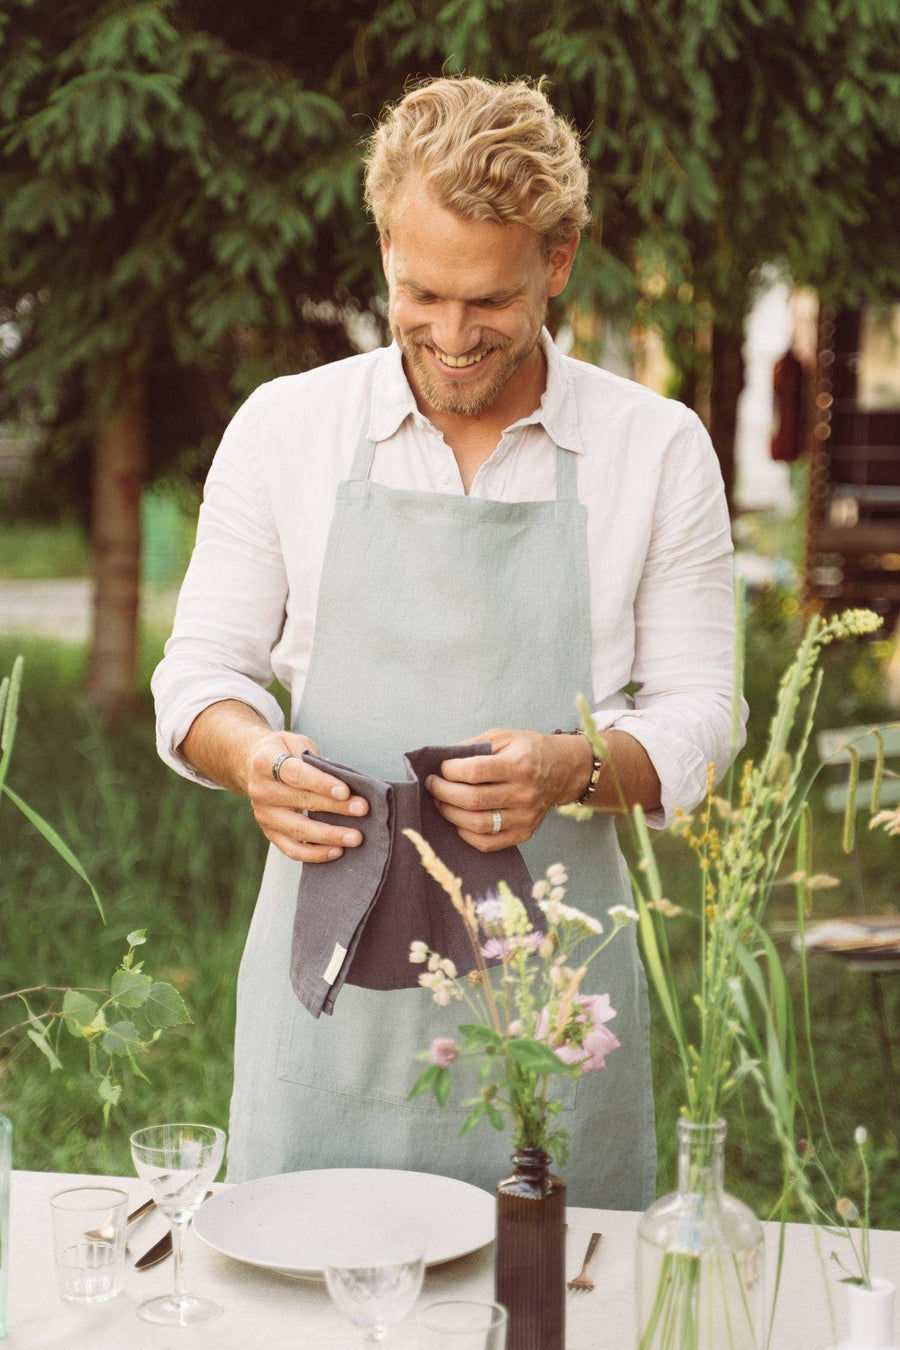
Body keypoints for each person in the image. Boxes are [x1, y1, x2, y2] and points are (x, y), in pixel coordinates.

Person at [152, 75, 743, 1210]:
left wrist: (577, 767)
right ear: (384, 243)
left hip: (558, 1008)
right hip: (327, 996)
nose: (454, 336)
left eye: (492, 301)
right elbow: (202, 673)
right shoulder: (288, 427)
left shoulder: (656, 449)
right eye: (421, 292)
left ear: (559, 260)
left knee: (556, 1305)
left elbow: (705, 721)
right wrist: (253, 760)